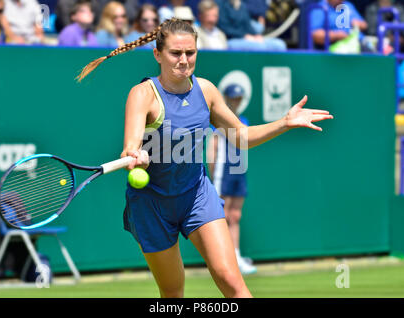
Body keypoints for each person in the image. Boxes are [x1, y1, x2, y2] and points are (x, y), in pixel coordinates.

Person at [75, 18, 333, 298]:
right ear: (157, 54)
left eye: (190, 53)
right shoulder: (143, 94)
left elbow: (240, 137)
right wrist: (135, 156)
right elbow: (131, 146)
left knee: (232, 282)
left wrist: (283, 122)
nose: (184, 60)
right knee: (173, 293)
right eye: (176, 53)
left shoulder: (206, 91)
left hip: (196, 195)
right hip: (152, 205)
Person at [207, 83, 256, 275]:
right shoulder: (219, 119)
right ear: (226, 98)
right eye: (233, 98)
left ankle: (236, 256)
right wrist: (213, 175)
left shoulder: (243, 120)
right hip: (222, 171)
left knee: (235, 215)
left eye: (238, 98)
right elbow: (213, 147)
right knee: (222, 216)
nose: (236, 101)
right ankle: (225, 260)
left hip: (239, 171)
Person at [217, 0, 287, 51]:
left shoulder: (241, 4)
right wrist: (244, 36)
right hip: (231, 40)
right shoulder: (220, 3)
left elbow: (248, 25)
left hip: (247, 38)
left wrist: (256, 35)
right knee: (259, 47)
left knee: (280, 45)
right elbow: (224, 28)